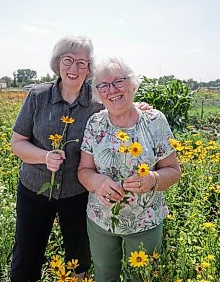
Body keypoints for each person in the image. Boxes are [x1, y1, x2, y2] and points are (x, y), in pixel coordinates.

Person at [78, 57, 182, 282]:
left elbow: (173, 170)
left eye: (118, 81)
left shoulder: (155, 121)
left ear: (133, 84)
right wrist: (97, 182)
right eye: (103, 85)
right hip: (101, 220)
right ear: (98, 93)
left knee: (141, 277)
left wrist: (153, 179)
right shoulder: (95, 124)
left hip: (146, 220)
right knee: (105, 275)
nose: (111, 90)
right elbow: (84, 170)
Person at [10, 36, 99, 281]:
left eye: (82, 63)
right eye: (68, 60)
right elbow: (17, 143)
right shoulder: (38, 96)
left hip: (78, 193)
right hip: (34, 189)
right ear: (57, 63)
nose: (74, 68)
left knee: (79, 256)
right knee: (26, 255)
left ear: (89, 68)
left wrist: (140, 108)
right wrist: (44, 156)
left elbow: (121, 103)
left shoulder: (97, 101)